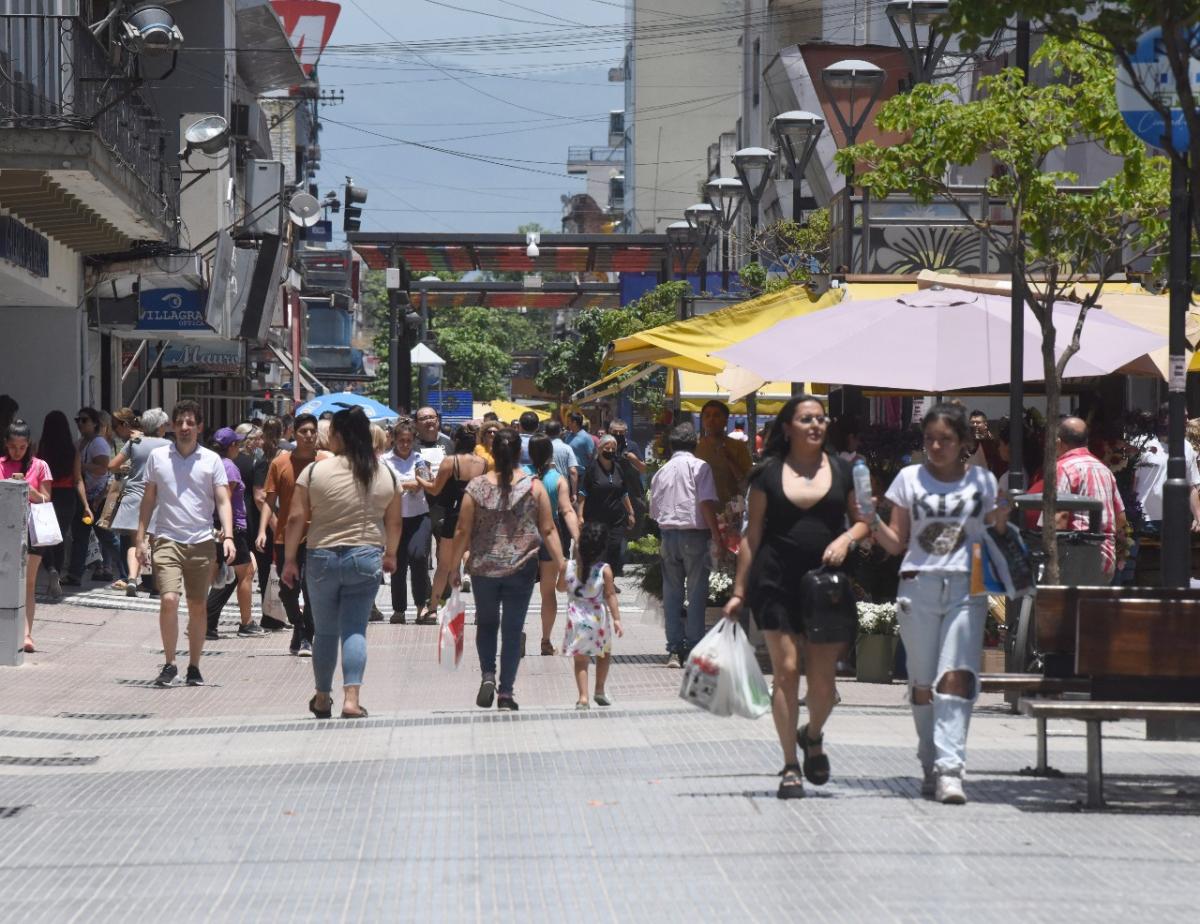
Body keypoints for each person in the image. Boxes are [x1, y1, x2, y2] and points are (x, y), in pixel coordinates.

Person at [724, 396, 871, 800]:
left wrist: (845, 538)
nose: (816, 425)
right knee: (786, 671)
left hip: (827, 586)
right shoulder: (767, 475)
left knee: (824, 682)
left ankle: (813, 734)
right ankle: (790, 764)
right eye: (807, 419)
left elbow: (863, 523)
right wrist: (739, 591)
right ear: (788, 427)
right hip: (775, 582)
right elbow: (751, 537)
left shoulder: (845, 470)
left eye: (821, 419)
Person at [868, 402, 1010, 805]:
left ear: (963, 442)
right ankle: (929, 758)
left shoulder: (982, 481)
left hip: (967, 588)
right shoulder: (908, 479)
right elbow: (896, 542)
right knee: (922, 683)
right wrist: (869, 517)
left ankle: (951, 768)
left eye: (945, 439)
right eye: (929, 439)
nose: (935, 446)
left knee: (956, 677)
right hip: (918, 587)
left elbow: (996, 532)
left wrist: (1003, 513)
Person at [283, 407, 401, 720]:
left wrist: (289, 559)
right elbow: (395, 521)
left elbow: (295, 518)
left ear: (337, 435)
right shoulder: (384, 473)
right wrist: (390, 554)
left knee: (324, 632)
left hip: (321, 556)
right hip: (365, 556)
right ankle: (352, 699)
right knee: (354, 630)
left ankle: (323, 697)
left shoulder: (314, 471)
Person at [448, 428, 565, 711]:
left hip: (484, 567)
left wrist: (453, 567)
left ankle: (488, 674)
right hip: (522, 568)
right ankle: (506, 692)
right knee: (512, 630)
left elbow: (462, 529)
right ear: (517, 454)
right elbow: (548, 528)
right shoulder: (533, 486)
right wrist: (562, 564)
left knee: (487, 624)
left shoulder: (475, 487)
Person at [135, 401, 236, 688]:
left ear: (199, 427)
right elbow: (148, 499)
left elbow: (223, 499)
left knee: (197, 606)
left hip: (202, 541)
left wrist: (228, 535)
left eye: (190, 422)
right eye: (179, 422)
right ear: (171, 426)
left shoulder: (211, 460)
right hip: (166, 538)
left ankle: (194, 666)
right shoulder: (158, 457)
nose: (184, 427)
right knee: (169, 599)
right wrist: (141, 538)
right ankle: (169, 664)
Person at [650, 423, 724, 666]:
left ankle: (673, 649)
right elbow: (705, 503)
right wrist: (717, 536)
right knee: (696, 592)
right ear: (695, 444)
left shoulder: (662, 471)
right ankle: (693, 647)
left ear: (671, 446)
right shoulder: (700, 467)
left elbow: (654, 511)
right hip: (694, 535)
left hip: (668, 535)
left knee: (671, 593)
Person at [258, 414, 329, 656]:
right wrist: (261, 530)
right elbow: (269, 500)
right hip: (284, 537)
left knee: (311, 588)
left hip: (317, 536)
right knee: (288, 589)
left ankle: (307, 636)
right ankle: (298, 626)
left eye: (312, 431)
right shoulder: (280, 463)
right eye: (304, 432)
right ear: (294, 434)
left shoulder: (325, 462)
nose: (309, 436)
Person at [204, 428, 264, 639]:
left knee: (230, 576)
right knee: (244, 574)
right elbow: (224, 500)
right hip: (232, 529)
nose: (238, 447)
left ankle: (208, 622)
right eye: (237, 444)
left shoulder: (214, 463)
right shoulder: (229, 467)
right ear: (230, 447)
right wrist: (225, 530)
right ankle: (245, 623)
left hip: (224, 528)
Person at [426, 423, 489, 615]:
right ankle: (481, 611)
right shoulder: (483, 463)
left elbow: (435, 489)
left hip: (454, 516)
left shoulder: (449, 462)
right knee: (479, 567)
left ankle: (433, 608)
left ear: (455, 440)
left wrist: (422, 479)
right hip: (477, 516)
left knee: (444, 565)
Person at [1055, 417, 1128, 581]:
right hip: (1106, 559)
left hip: (1075, 557)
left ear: (1059, 442)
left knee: (1068, 606)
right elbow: (1121, 518)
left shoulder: (1063, 468)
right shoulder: (1104, 470)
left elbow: (1059, 518)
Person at [109, 408, 171, 598]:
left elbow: (112, 465)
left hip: (134, 494)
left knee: (135, 541)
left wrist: (130, 467)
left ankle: (132, 580)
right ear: (159, 427)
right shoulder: (168, 445)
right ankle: (157, 587)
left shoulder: (134, 442)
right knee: (156, 543)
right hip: (158, 497)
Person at [528, 434, 580, 656]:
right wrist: (578, 537)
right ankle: (546, 641)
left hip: (524, 536)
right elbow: (567, 510)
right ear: (551, 454)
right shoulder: (558, 479)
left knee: (519, 591)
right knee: (547, 593)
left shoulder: (523, 476)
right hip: (551, 535)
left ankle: (516, 635)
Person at [3, 420, 52, 652]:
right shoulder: (1, 465)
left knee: (29, 583)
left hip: (32, 530)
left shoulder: (40, 466)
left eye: (22, 447)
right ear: (6, 444)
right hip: (5, 530)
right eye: (13, 446)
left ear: (29, 445)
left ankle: (26, 635)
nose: (17, 451)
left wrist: (30, 491)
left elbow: (46, 499)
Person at [562, 520, 622, 709]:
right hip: (598, 617)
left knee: (581, 659)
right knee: (604, 653)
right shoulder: (605, 570)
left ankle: (583, 697)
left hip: (576, 617)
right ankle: (600, 690)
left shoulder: (568, 567)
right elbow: (610, 595)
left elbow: (560, 587)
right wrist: (617, 619)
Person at [380, 418, 433, 624]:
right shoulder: (384, 460)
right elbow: (384, 483)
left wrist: (401, 484)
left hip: (419, 515)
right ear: (394, 440)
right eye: (401, 440)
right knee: (397, 563)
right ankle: (399, 609)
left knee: (419, 557)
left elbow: (424, 482)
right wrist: (409, 484)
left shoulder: (420, 458)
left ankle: (422, 605)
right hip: (394, 518)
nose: (404, 444)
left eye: (408, 440)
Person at [64, 407, 124, 587]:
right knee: (80, 537)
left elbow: (102, 468)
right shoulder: (80, 442)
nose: (80, 424)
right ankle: (75, 574)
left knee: (107, 537)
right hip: (84, 497)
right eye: (78, 420)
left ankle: (127, 571)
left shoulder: (98, 443)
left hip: (98, 498)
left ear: (94, 423)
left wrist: (81, 466)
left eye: (84, 420)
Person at [36, 410, 88, 601]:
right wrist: (86, 504)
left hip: (47, 494)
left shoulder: (42, 448)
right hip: (67, 497)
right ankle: (57, 571)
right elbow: (77, 479)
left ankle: (50, 568)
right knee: (59, 537)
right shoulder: (73, 450)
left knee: (44, 537)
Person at [1132, 403, 1200, 534]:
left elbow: (1191, 486)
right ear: (1165, 418)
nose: (1186, 421)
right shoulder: (1142, 445)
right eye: (1182, 417)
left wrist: (1198, 517)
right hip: (1144, 520)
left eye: (1187, 417)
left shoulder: (1187, 448)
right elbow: (1132, 482)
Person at [576, 434, 635, 576]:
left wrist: (631, 512)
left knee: (615, 548)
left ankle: (610, 579)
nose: (610, 450)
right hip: (595, 518)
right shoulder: (591, 469)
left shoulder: (618, 468)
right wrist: (580, 515)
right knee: (598, 550)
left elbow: (623, 492)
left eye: (613, 448)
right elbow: (583, 493)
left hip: (616, 518)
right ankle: (596, 579)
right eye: (606, 447)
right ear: (599, 448)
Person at [252, 417, 287, 628]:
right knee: (278, 567)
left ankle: (272, 615)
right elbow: (260, 496)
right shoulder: (279, 457)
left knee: (268, 569)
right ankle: (274, 616)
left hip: (268, 522)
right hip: (275, 521)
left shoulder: (262, 458)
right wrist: (275, 523)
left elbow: (259, 497)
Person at [695, 399, 753, 507]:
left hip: (732, 508)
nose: (711, 419)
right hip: (703, 510)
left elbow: (747, 483)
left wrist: (731, 460)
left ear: (726, 420)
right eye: (707, 416)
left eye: (716, 416)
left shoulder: (738, 447)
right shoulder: (695, 448)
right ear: (702, 420)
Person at [609, 419, 647, 530]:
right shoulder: (605, 446)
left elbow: (643, 469)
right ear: (610, 431)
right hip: (611, 489)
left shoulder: (632, 446)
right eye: (615, 432)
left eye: (621, 433)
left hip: (631, 490)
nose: (618, 435)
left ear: (626, 432)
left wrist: (632, 458)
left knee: (632, 525)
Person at [543, 420, 579, 495]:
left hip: (545, 486)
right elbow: (573, 471)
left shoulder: (541, 447)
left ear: (545, 432)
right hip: (563, 487)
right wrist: (574, 493)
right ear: (560, 432)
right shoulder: (567, 448)